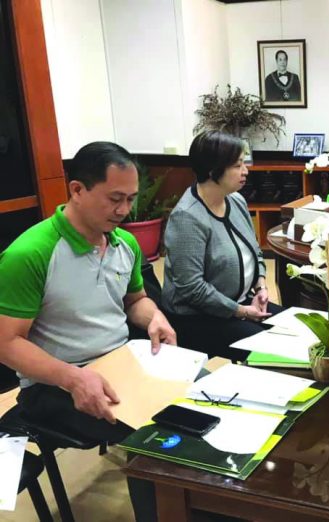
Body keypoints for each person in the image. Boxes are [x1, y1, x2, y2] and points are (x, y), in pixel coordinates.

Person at [0, 141, 176, 520]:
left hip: (119, 363)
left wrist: (155, 318)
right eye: (114, 198)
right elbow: (6, 343)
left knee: (195, 403)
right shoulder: (30, 254)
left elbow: (134, 301)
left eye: (130, 198)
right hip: (54, 386)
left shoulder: (123, 243)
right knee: (154, 438)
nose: (125, 210)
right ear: (77, 190)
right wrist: (74, 378)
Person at [162, 130, 282, 359]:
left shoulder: (236, 200)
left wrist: (261, 288)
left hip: (243, 303)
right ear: (213, 170)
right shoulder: (187, 218)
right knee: (273, 352)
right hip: (198, 318)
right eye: (237, 166)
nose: (245, 171)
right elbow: (191, 287)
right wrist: (240, 311)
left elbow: (255, 250)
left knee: (299, 331)